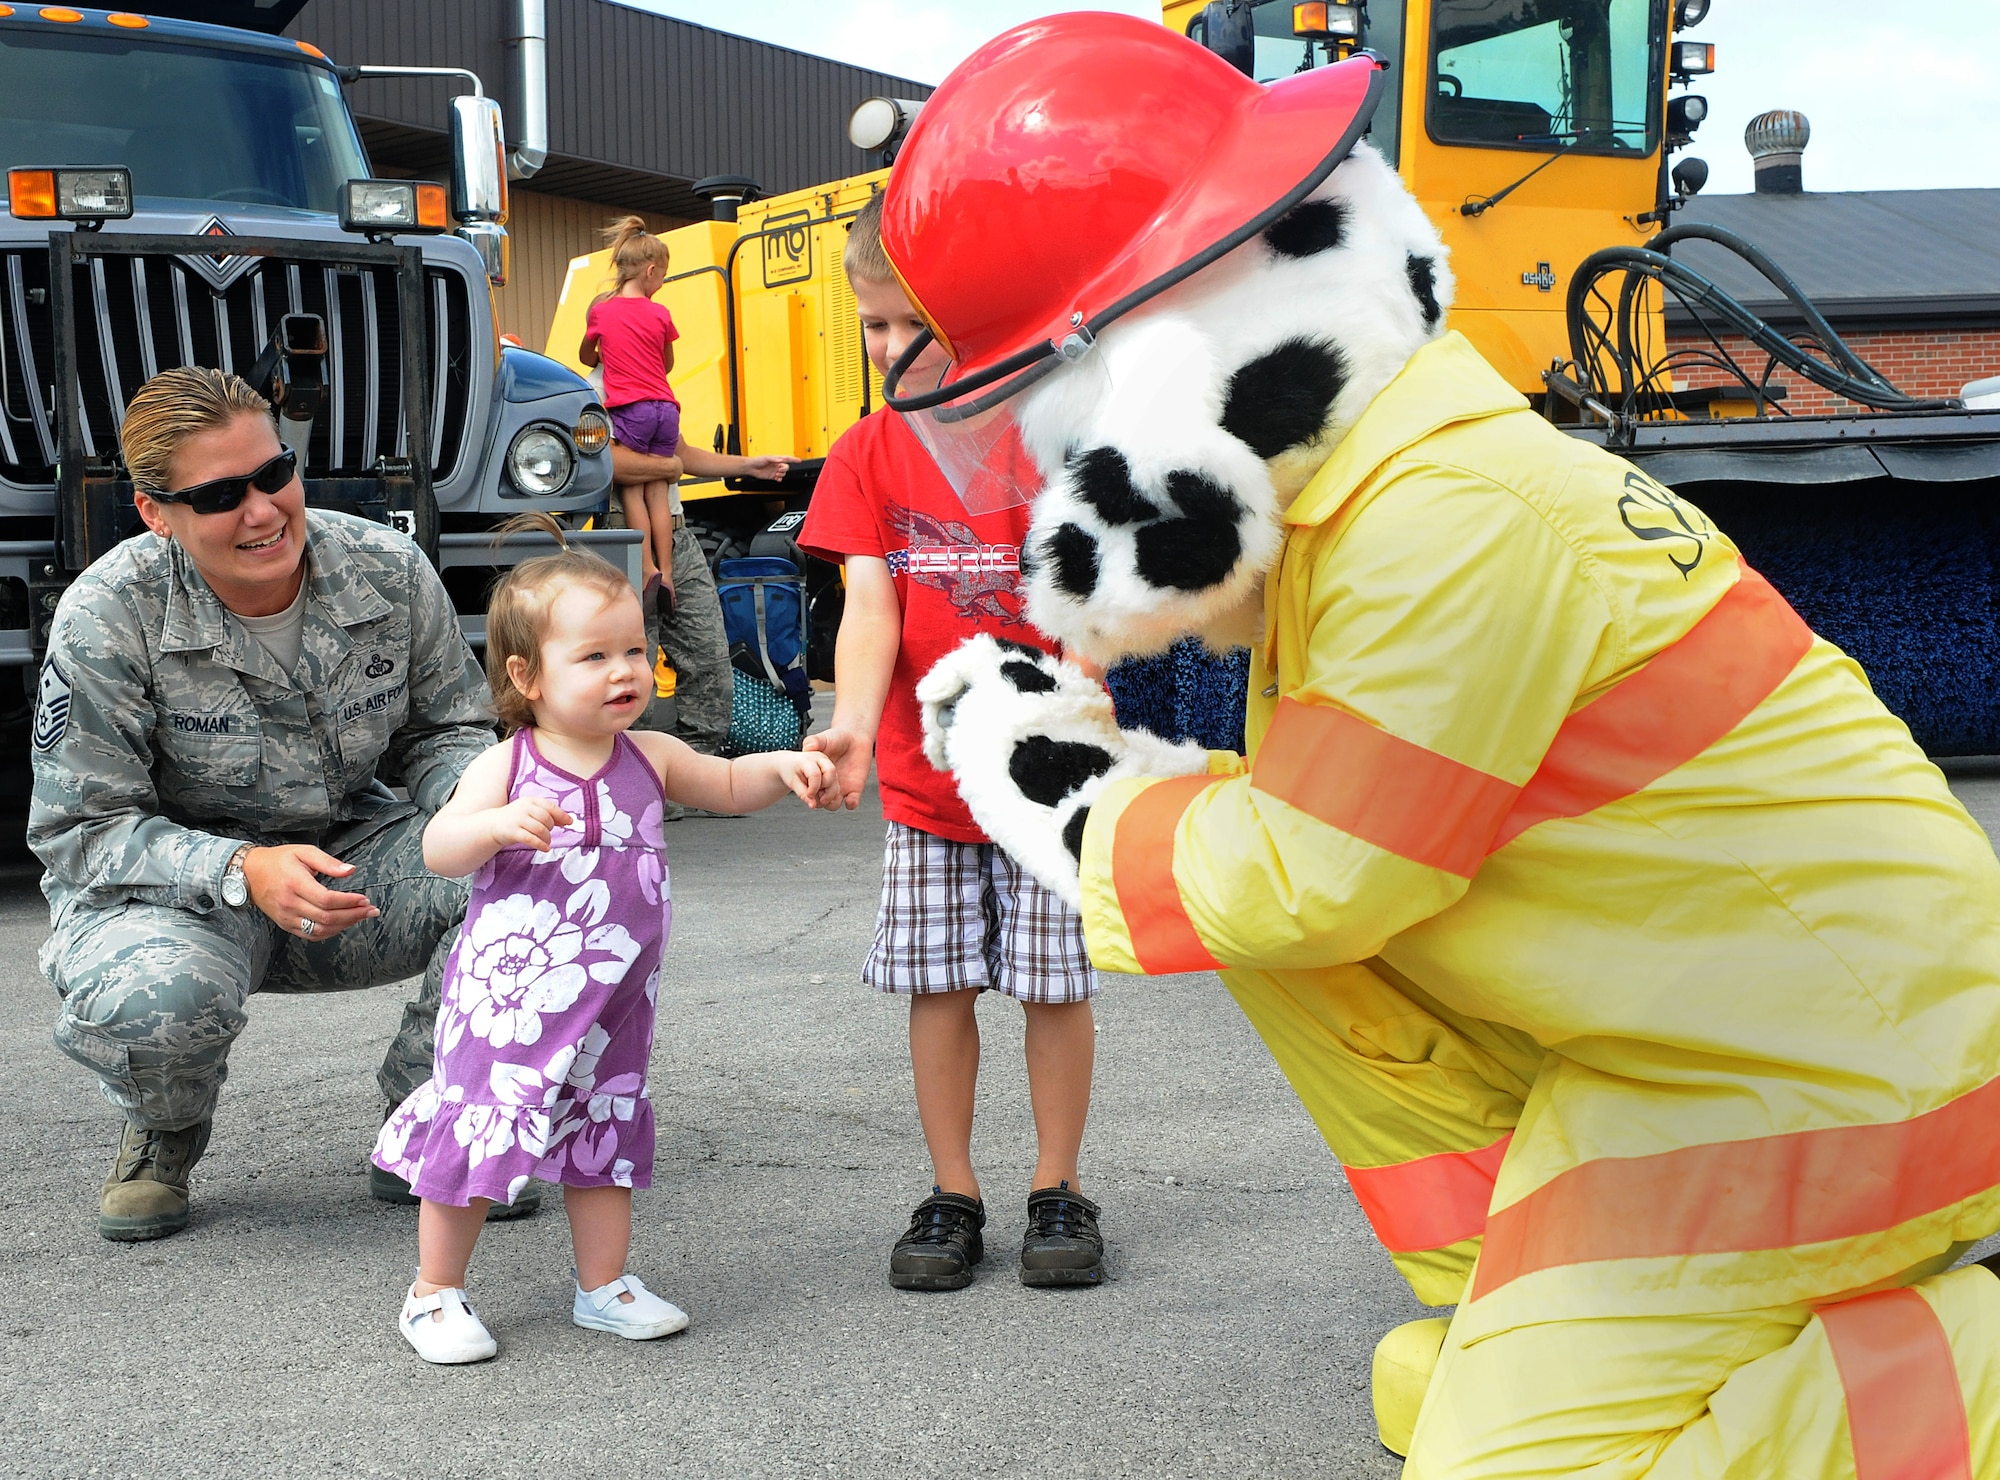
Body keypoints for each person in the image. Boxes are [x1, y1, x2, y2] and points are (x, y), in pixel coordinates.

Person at [889, 17, 2000, 1472]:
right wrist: (1144, 799)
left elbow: (1311, 880)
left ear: (1159, 376)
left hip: (1821, 1081)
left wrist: (1080, 799)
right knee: (1439, 1383)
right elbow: (1324, 863)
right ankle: (1557, 1310)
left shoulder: (1438, 525)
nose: (1053, 487)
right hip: (1725, 1045)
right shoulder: (1380, 497)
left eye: (1043, 422)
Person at [30, 367, 519, 1242]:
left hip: (351, 866)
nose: (262, 511)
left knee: (521, 873)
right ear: (155, 512)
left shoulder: (386, 567)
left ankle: (434, 1122)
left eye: (273, 474)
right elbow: (82, 830)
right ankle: (166, 1128)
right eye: (220, 494)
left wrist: (470, 818)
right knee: (159, 1003)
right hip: (178, 898)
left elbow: (449, 733)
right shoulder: (107, 613)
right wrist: (239, 868)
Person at [371, 516, 837, 1363]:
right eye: (593, 657)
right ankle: (434, 1293)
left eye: (632, 651)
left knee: (602, 1138)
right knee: (482, 1130)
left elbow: (729, 785)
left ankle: (604, 1285)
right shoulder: (509, 766)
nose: (624, 671)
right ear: (527, 676)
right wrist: (498, 826)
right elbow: (440, 848)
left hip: (614, 1001)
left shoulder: (648, 753)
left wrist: (781, 768)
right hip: (509, 1004)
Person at [799, 195, 1108, 1293]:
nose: (886, 349)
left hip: (1046, 778)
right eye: (870, 327)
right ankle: (952, 1189)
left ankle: (1057, 1184)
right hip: (925, 783)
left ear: (976, 320)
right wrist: (843, 725)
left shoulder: (1052, 437)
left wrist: (1096, 695)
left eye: (905, 324)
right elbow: (870, 607)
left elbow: (1091, 588)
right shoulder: (868, 453)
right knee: (939, 986)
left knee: (1051, 985)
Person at [604, 440, 793, 766]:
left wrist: (749, 466)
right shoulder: (589, 388)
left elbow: (681, 451)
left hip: (678, 536)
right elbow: (609, 462)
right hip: (622, 536)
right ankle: (634, 777)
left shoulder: (657, 387)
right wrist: (669, 467)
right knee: (632, 665)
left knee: (709, 660)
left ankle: (695, 772)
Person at [579, 217, 682, 606]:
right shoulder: (660, 314)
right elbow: (666, 363)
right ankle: (669, 573)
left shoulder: (602, 312)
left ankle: (646, 568)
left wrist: (610, 352)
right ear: (651, 270)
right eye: (664, 276)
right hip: (666, 409)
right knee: (660, 489)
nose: (663, 283)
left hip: (632, 409)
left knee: (634, 489)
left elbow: (586, 355)